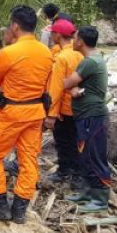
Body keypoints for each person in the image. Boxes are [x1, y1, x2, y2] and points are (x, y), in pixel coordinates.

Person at [0, 5, 62, 223]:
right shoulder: (47, 52)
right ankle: (19, 210)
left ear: (15, 27)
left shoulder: (8, 53)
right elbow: (48, 83)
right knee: (28, 160)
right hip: (35, 113)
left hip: (11, 113)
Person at [62, 27, 112, 212]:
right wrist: (74, 89)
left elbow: (66, 83)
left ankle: (100, 199)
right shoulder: (92, 60)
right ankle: (88, 192)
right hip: (86, 116)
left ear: (80, 41)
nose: (72, 41)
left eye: (74, 38)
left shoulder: (90, 62)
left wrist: (71, 88)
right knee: (85, 154)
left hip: (93, 116)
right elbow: (73, 86)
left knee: (94, 156)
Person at [45, 18, 82, 186]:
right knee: (76, 142)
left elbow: (56, 88)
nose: (51, 36)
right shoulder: (80, 53)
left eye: (52, 33)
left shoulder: (62, 57)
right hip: (80, 108)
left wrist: (51, 114)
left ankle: (64, 172)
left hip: (64, 109)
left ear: (58, 35)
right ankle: (76, 174)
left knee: (63, 142)